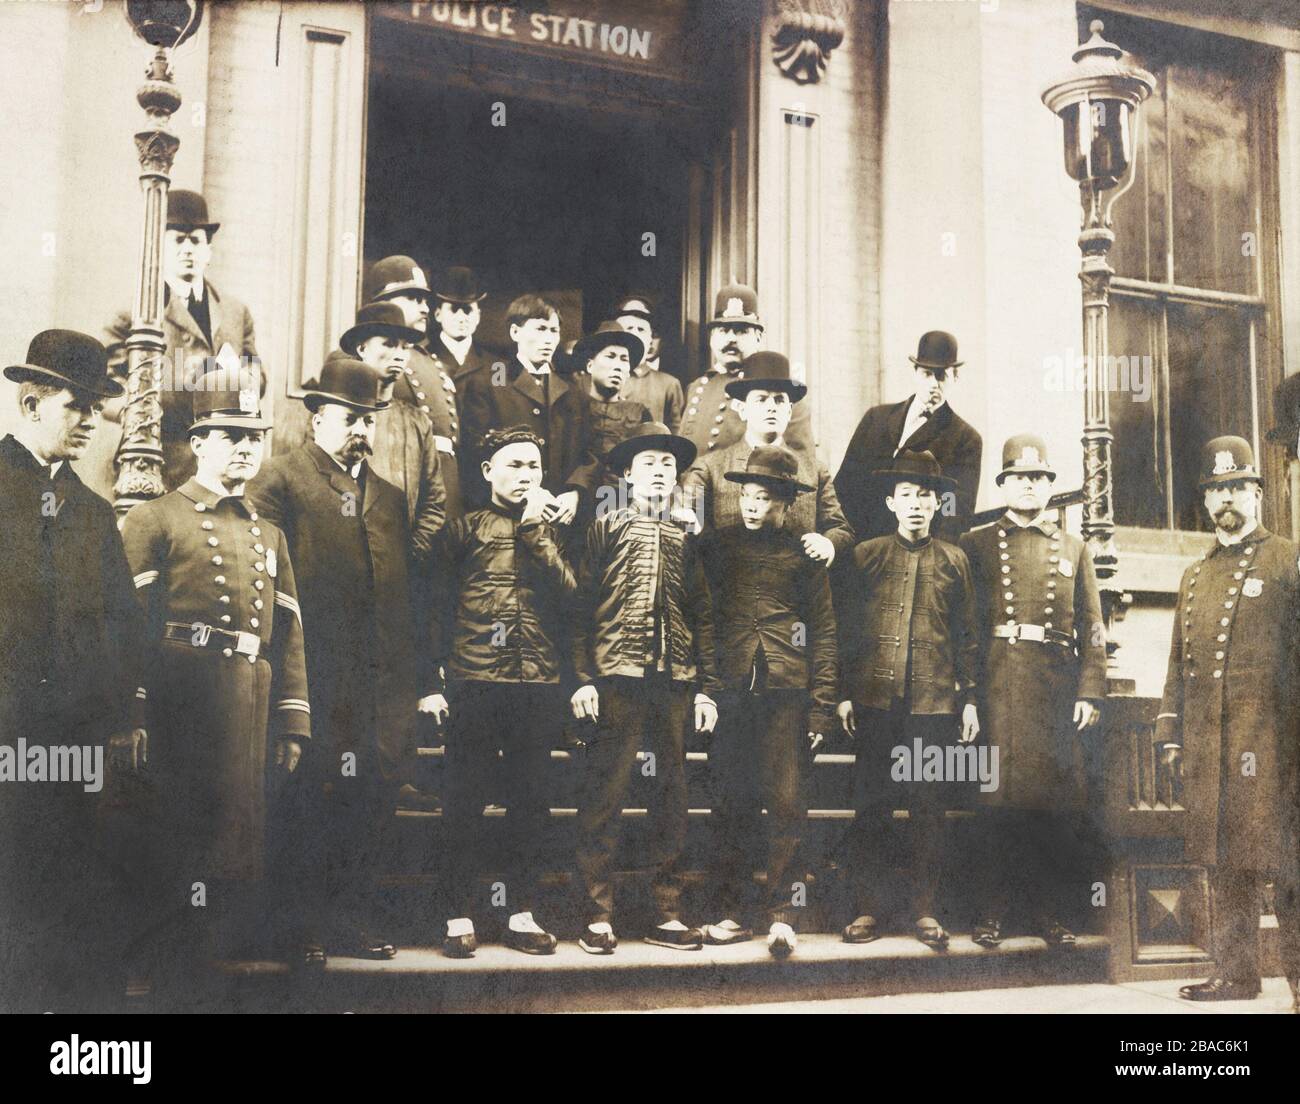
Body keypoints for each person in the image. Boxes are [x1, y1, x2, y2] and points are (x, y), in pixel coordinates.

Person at [248, 356, 437, 962]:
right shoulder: (280, 480)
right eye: (350, 417)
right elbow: (265, 584)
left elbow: (403, 591)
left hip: (378, 683)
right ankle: (295, 928)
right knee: (307, 801)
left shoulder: (386, 494)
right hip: (312, 677)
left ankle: (350, 920)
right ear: (318, 417)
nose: (361, 429)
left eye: (369, 418)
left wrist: (420, 677)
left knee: (369, 800)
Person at [121, 381, 311, 977]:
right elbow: (126, 627)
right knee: (178, 825)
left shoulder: (267, 531)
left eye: (254, 439)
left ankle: (205, 958)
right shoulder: (156, 517)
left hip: (247, 696)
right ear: (198, 443)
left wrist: (292, 718)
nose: (246, 451)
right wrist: (135, 709)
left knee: (234, 831)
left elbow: (290, 630)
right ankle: (158, 961)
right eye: (231, 438)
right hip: (182, 691)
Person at [0, 330, 143, 1011]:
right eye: (76, 405)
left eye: (97, 407)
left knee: (82, 893)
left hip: (79, 749)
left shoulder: (92, 512)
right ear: (30, 404)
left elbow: (123, 626)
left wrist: (121, 719)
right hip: (7, 744)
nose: (91, 422)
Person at [1156, 436, 1300, 1008]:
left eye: (1237, 487)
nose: (1226, 500)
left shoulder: (1288, 559)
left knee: (1288, 870)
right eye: (1217, 490)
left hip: (1276, 747)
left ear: (1258, 494)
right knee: (1226, 865)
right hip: (1213, 747)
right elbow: (1177, 665)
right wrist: (1170, 733)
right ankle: (1237, 977)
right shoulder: (1194, 576)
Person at [571, 423, 718, 954]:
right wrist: (583, 678)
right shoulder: (606, 527)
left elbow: (702, 614)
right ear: (628, 475)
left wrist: (704, 687)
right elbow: (580, 606)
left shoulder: (686, 537)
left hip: (674, 682)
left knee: (671, 797)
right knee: (605, 795)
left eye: (667, 466)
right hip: (617, 678)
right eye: (648, 464)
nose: (659, 473)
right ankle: (596, 914)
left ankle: (666, 911)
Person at [431, 426, 577, 958]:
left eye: (534, 467)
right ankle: (456, 915)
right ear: (488, 471)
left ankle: (521, 914)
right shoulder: (462, 529)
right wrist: (434, 681)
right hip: (474, 681)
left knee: (530, 802)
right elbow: (436, 607)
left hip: (537, 684)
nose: (526, 476)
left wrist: (539, 532)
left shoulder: (556, 531)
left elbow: (572, 600)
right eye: (514, 465)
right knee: (465, 799)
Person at [959, 435, 1105, 948]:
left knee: (1050, 808)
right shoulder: (976, 544)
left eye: (1040, 478)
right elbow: (966, 628)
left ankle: (1049, 913)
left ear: (1049, 486)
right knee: (996, 805)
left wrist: (1089, 690)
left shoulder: (1073, 547)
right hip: (999, 685)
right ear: (1004, 485)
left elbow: (1092, 625)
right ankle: (992, 912)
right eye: (1020, 477)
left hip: (1055, 691)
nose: (1030, 486)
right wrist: (970, 696)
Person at [833, 450, 979, 949]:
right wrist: (845, 694)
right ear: (892, 502)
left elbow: (967, 637)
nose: (916, 505)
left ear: (938, 505)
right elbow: (846, 629)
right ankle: (867, 909)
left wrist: (971, 700)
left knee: (927, 808)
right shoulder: (865, 555)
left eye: (926, 496)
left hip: (933, 705)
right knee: (871, 806)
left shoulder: (956, 560)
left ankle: (924, 911)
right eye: (907, 495)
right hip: (875, 702)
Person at [697, 446, 837, 958]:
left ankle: (782, 916)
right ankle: (731, 911)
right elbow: (703, 623)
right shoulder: (716, 547)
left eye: (766, 499)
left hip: (787, 694)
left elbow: (823, 630)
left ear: (786, 505)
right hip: (732, 694)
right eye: (747, 497)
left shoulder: (804, 554)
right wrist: (708, 691)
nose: (753, 507)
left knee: (785, 801)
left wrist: (821, 704)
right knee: (730, 801)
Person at [103, 190, 260, 490]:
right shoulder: (135, 309)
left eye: (196, 240)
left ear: (208, 251)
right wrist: (158, 400)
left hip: (221, 461)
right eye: (178, 240)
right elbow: (105, 385)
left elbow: (257, 379)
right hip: (156, 460)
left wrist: (230, 378)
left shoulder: (235, 312)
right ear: (160, 248)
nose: (187, 249)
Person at [681, 351, 852, 565]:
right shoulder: (710, 468)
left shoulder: (814, 471)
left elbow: (841, 529)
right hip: (727, 588)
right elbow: (687, 524)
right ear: (742, 409)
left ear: (789, 412)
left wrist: (828, 544)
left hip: (795, 590)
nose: (771, 407)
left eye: (779, 401)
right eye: (761, 399)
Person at [457, 293, 599, 525]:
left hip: (560, 518)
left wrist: (575, 494)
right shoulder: (494, 379)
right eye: (540, 329)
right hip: (506, 520)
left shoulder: (573, 390)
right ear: (515, 332)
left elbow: (589, 453)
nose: (548, 339)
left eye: (554, 331)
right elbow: (475, 450)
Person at [835, 331, 982, 544]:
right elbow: (845, 483)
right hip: (860, 546)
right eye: (927, 374)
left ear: (956, 377)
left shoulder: (964, 439)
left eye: (942, 376)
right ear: (914, 373)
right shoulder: (876, 419)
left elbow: (953, 506)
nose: (934, 384)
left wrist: (937, 554)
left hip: (915, 550)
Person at [338, 303, 447, 567]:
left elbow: (434, 502)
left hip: (403, 565)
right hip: (347, 561)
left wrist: (410, 553)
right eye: (388, 344)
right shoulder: (336, 418)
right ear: (362, 349)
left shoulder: (417, 422)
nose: (398, 355)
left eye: (404, 347)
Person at [361, 255, 465, 517]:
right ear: (382, 302)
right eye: (413, 299)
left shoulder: (427, 358)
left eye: (424, 300)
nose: (425, 308)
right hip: (401, 488)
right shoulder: (363, 356)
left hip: (442, 491)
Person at [678, 285, 812, 457]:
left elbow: (801, 460)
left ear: (758, 338)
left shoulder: (782, 391)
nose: (731, 339)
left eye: (741, 331)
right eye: (723, 330)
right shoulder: (696, 387)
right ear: (712, 337)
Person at [568, 320, 652, 512]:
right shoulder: (570, 407)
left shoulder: (640, 413)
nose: (618, 366)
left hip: (624, 510)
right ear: (590, 365)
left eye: (624, 359)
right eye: (610, 356)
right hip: (576, 507)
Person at [612, 295, 684, 431]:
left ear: (650, 339)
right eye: (628, 328)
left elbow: (676, 435)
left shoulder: (668, 385)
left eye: (641, 330)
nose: (634, 334)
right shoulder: (594, 379)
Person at [427, 266, 493, 385]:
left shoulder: (496, 365)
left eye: (468, 310)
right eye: (454, 309)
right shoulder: (422, 359)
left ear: (478, 316)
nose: (461, 318)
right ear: (438, 315)